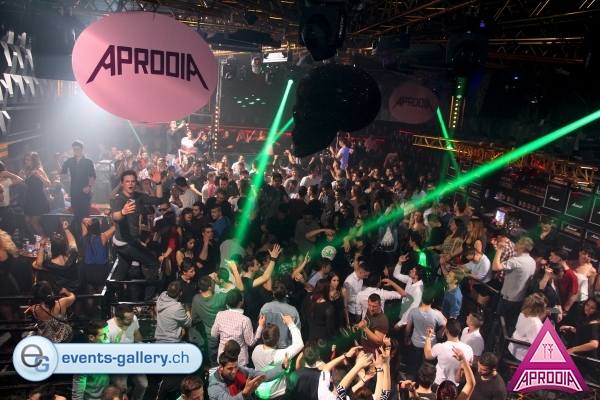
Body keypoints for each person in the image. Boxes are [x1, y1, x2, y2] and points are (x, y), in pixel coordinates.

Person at [111, 170, 165, 303]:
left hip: (128, 242)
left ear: (136, 183)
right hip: (126, 243)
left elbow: (159, 199)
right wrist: (123, 212)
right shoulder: (120, 199)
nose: (130, 184)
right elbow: (115, 217)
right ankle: (149, 299)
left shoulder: (139, 197)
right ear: (122, 183)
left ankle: (110, 298)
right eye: (127, 181)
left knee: (122, 270)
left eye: (133, 181)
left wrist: (158, 183)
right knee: (153, 264)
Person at [252, 314, 304, 399]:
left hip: (258, 393)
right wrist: (290, 323)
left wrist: (261, 326)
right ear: (278, 339)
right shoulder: (278, 356)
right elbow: (299, 344)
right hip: (276, 395)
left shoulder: (256, 350)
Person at [492, 236, 536, 335]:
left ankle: (493, 341)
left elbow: (495, 267)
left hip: (507, 298)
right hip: (519, 299)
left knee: (498, 324)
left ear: (522, 246)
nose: (515, 244)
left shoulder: (515, 261)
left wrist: (499, 250)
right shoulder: (532, 261)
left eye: (518, 243)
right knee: (509, 326)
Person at [72, 319, 126, 400]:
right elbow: (78, 392)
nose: (107, 338)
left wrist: (122, 392)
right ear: (91, 337)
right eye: (103, 335)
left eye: (107, 333)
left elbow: (112, 374)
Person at [212, 289, 266, 367]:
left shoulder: (220, 315)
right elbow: (251, 342)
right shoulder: (245, 320)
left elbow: (213, 334)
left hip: (223, 358)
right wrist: (260, 326)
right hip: (239, 360)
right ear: (240, 302)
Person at [55, 141, 96, 237]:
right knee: (77, 215)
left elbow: (93, 175)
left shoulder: (88, 162)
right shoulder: (70, 161)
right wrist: (56, 160)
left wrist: (89, 186)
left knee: (85, 215)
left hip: (84, 193)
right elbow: (60, 171)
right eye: (74, 149)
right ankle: (79, 238)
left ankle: (87, 237)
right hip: (74, 192)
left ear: (82, 149)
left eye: (78, 149)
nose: (76, 151)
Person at [208, 350, 287, 400]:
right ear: (221, 367)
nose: (234, 371)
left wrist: (282, 367)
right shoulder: (214, 387)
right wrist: (244, 394)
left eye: (235, 367)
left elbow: (262, 376)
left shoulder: (241, 370)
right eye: (230, 369)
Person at [107, 305, 147, 400]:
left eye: (132, 317)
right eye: (129, 319)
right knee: (122, 388)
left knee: (143, 384)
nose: (132, 320)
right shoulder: (109, 329)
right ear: (118, 318)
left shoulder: (132, 318)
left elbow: (136, 333)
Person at [404, 287, 446, 378]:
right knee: (426, 370)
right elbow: (445, 324)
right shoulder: (436, 314)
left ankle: (408, 384)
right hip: (430, 345)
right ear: (433, 300)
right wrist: (441, 331)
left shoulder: (413, 311)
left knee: (412, 368)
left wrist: (406, 337)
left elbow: (408, 328)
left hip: (415, 343)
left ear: (422, 298)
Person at [192, 276, 228, 367]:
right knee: (227, 358)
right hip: (224, 333)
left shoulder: (196, 299)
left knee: (214, 360)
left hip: (210, 334)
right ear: (209, 287)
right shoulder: (220, 297)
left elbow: (194, 317)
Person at [424, 319, 474, 386]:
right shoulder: (469, 349)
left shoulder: (440, 347)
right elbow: (469, 366)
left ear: (446, 331)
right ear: (460, 331)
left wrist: (428, 337)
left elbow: (427, 355)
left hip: (438, 384)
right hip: (454, 386)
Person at [81, 217, 115, 312]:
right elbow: (115, 226)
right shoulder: (103, 237)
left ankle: (88, 316)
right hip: (100, 270)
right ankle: (104, 315)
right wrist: (111, 216)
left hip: (88, 270)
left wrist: (84, 220)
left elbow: (82, 223)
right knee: (102, 294)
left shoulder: (85, 237)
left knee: (90, 295)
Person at [39, 220, 81, 294]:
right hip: (76, 289)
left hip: (60, 292)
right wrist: (66, 229)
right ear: (65, 246)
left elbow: (39, 263)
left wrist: (42, 246)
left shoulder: (50, 263)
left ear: (53, 248)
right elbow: (72, 242)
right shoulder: (72, 255)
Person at [259, 283, 301, 348]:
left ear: (273, 295)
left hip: (269, 345)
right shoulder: (293, 310)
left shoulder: (265, 308)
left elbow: (262, 327)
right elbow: (296, 331)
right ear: (286, 293)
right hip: (286, 347)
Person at [508, 293, 546, 361]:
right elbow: (538, 344)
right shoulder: (534, 323)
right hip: (522, 356)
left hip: (513, 348)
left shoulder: (523, 313)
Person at [21, 152, 51, 237]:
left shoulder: (39, 170)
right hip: (30, 199)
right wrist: (23, 177)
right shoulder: (28, 170)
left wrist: (39, 176)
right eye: (25, 159)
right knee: (27, 221)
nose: (26, 161)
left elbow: (48, 184)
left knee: (34, 223)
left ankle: (46, 241)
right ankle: (35, 239)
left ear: (34, 160)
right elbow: (30, 184)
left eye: (28, 160)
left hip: (38, 199)